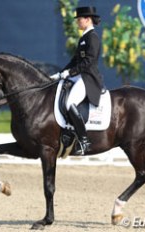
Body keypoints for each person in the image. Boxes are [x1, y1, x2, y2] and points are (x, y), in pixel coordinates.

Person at [50, 6, 104, 155]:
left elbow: (89, 62)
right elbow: (75, 60)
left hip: (88, 78)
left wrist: (70, 72)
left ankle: (84, 140)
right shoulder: (84, 37)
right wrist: (60, 74)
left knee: (69, 103)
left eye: (79, 20)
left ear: (87, 19)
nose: (77, 22)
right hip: (79, 75)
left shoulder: (92, 37)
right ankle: (67, 131)